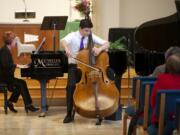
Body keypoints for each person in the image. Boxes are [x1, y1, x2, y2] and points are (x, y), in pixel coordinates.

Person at [61, 19, 114, 124]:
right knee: (71, 86)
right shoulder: (73, 35)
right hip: (74, 66)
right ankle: (69, 113)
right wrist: (66, 48)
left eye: (89, 30)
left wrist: (99, 49)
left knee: (108, 76)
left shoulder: (90, 35)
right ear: (80, 29)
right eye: (86, 31)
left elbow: (107, 43)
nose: (88, 33)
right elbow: (63, 41)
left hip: (88, 68)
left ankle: (100, 109)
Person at [0, 31, 39, 113]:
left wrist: (19, 65)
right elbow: (6, 65)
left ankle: (10, 102)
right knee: (21, 84)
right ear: (11, 41)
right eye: (15, 40)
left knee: (20, 84)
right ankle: (28, 105)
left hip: (6, 76)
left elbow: (8, 64)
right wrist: (18, 66)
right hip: (4, 78)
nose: (16, 42)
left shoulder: (6, 50)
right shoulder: (4, 51)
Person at [147, 53, 180, 135]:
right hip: (178, 122)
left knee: (151, 128)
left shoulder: (162, 78)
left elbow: (153, 102)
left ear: (167, 66)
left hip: (162, 123)